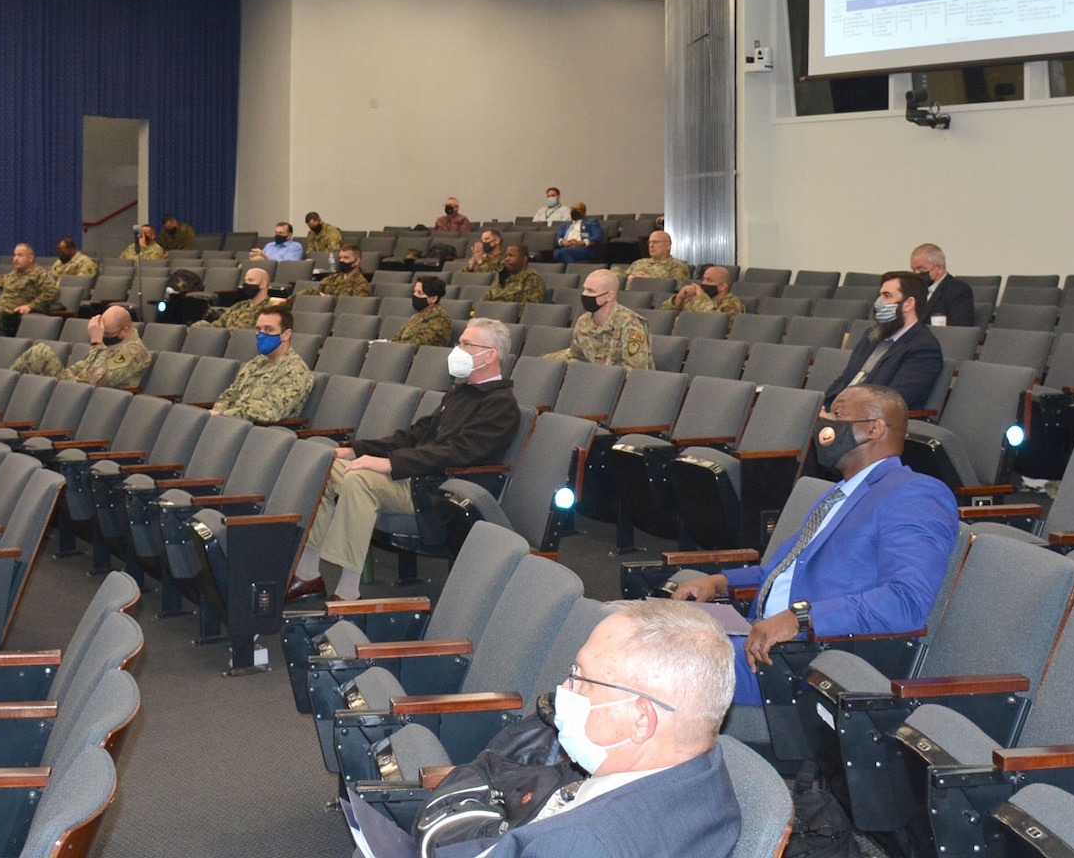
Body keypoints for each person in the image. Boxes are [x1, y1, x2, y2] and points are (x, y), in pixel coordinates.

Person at [673, 384, 959, 706]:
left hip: (806, 661)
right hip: (758, 635)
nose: (824, 423)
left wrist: (802, 618)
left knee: (653, 655)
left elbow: (905, 602)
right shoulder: (838, 493)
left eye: (837, 414)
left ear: (874, 428)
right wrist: (720, 581)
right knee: (629, 623)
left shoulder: (913, 493)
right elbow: (786, 571)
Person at [433, 600, 743, 858]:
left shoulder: (580, 844)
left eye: (580, 678)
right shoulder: (704, 768)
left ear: (642, 721)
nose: (564, 688)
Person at [290, 318, 521, 601]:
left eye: (466, 344)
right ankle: (308, 575)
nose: (457, 349)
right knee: (329, 468)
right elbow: (415, 435)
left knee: (359, 479)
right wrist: (357, 449)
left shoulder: (500, 405)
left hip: (439, 489)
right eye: (459, 342)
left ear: (490, 354)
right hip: (416, 473)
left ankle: (347, 593)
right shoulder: (461, 392)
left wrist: (389, 463)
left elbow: (458, 452)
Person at [824, 271, 943, 410]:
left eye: (887, 296)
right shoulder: (872, 334)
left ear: (908, 304)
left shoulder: (923, 347)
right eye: (879, 296)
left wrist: (842, 413)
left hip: (874, 421)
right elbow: (846, 378)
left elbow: (895, 400)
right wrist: (822, 405)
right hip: (840, 412)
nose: (878, 303)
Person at [211, 305, 313, 423]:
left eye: (268, 329)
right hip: (230, 423)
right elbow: (230, 395)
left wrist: (223, 415)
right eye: (258, 329)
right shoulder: (256, 362)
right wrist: (216, 415)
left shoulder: (294, 370)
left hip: (261, 432)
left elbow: (270, 410)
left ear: (286, 335)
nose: (261, 335)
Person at [8, 305, 151, 388]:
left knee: (40, 353)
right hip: (78, 387)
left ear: (125, 330)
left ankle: (3, 388)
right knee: (37, 358)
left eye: (107, 333)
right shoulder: (114, 342)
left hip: (92, 396)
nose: (104, 337)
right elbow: (82, 366)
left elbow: (97, 381)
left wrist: (96, 341)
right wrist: (65, 375)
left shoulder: (134, 352)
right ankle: (4, 386)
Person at [545, 270, 653, 369]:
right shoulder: (584, 320)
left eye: (591, 291)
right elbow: (576, 356)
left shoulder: (631, 324)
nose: (584, 294)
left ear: (610, 295)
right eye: (584, 289)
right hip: (593, 380)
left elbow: (636, 370)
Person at [0, 244, 59, 324]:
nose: (15, 258)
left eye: (20, 255)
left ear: (30, 258)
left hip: (15, 319)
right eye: (14, 255)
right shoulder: (15, 274)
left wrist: (30, 306)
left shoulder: (39, 274)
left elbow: (52, 292)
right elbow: (3, 279)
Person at [909, 243, 976, 327]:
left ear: (940, 268)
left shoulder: (958, 290)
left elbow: (958, 328)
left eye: (921, 269)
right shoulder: (914, 290)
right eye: (913, 269)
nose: (916, 273)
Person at [663, 265, 745, 327]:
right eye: (703, 279)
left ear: (723, 286)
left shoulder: (732, 304)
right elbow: (663, 317)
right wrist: (679, 298)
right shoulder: (694, 298)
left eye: (709, 280)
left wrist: (701, 297)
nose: (704, 283)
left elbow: (715, 323)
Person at [478, 245, 546, 310]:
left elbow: (528, 309)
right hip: (491, 315)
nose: (507, 259)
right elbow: (486, 298)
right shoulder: (502, 276)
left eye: (511, 256)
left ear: (524, 258)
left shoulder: (532, 279)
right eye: (505, 256)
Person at [204, 266, 274, 330]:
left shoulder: (270, 309)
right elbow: (217, 325)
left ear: (263, 284)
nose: (246, 284)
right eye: (245, 280)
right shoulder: (239, 306)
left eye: (250, 280)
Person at [393, 275, 453, 347]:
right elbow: (397, 337)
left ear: (433, 298)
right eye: (414, 291)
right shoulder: (417, 316)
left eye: (419, 293)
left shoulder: (440, 320)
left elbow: (417, 345)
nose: (415, 295)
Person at [624, 230, 691, 285]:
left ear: (668, 246)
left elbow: (678, 286)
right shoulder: (638, 262)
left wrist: (650, 279)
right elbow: (619, 277)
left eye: (655, 242)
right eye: (649, 242)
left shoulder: (677, 265)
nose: (651, 245)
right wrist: (628, 277)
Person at [305, 244, 372, 298]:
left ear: (357, 261)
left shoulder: (361, 285)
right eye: (340, 258)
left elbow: (354, 307)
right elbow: (316, 289)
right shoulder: (333, 278)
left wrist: (328, 300)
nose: (341, 260)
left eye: (346, 258)